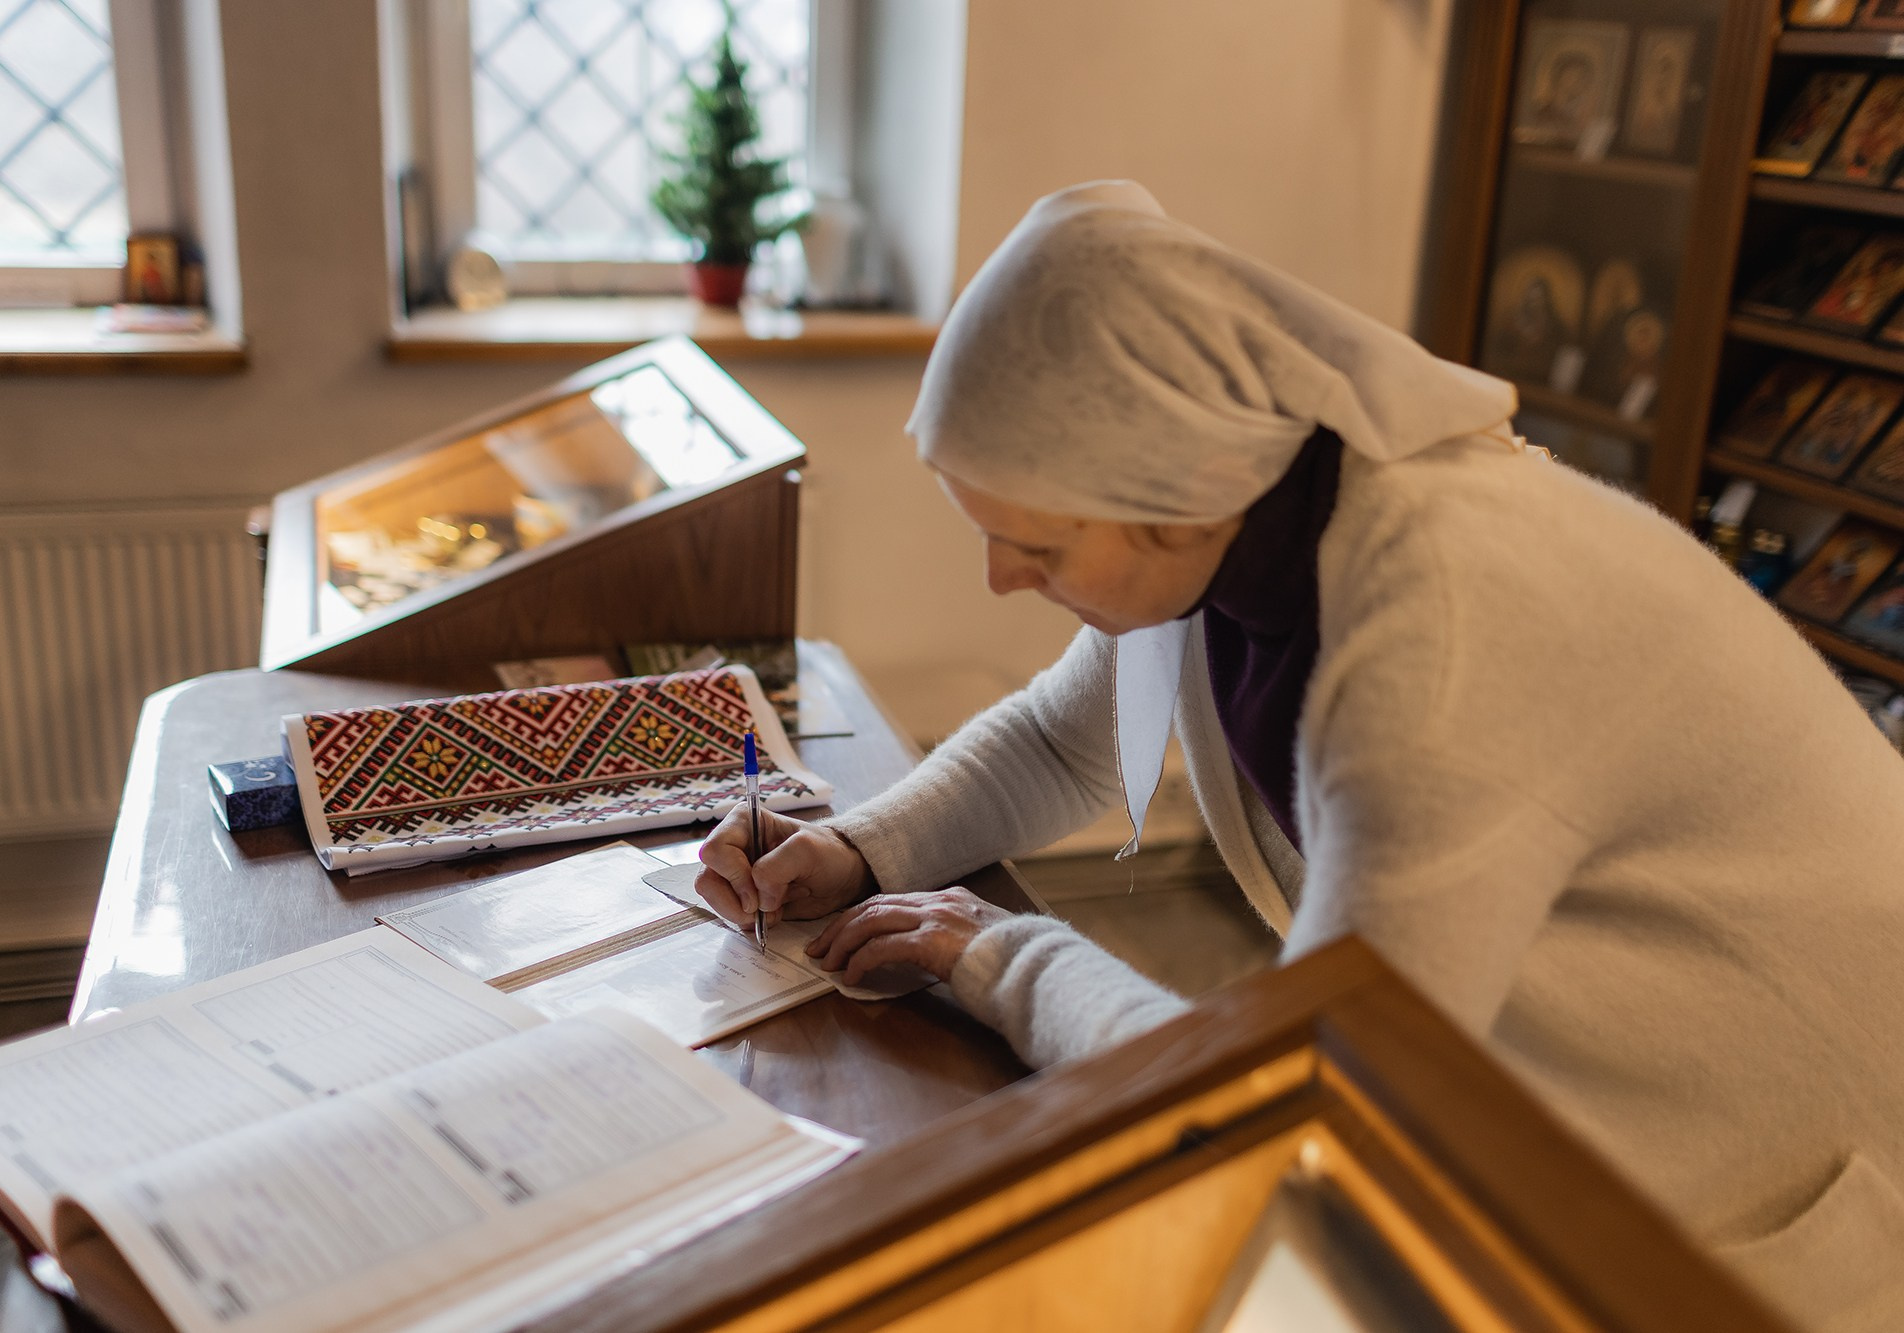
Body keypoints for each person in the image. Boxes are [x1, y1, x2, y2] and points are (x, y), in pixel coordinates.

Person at [694, 182, 1904, 1332]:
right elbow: (1064, 741)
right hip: (1581, 1076)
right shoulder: (1254, 504)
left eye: (1039, 545)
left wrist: (1007, 957)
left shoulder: (1445, 632)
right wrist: (859, 846)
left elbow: (1324, 1093)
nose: (1000, 579)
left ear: (1169, 502)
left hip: (1778, 1158)